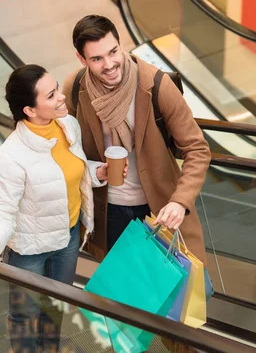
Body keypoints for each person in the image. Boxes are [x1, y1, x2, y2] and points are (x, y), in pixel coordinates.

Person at [0, 64, 117, 352]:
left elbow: (71, 171)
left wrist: (98, 173)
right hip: (29, 250)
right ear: (30, 110)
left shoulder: (68, 125)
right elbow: (2, 208)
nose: (61, 97)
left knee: (56, 305)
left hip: (67, 237)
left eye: (57, 88)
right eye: (51, 95)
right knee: (24, 315)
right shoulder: (11, 156)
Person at [61, 15, 213, 297]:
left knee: (181, 295)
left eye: (113, 52)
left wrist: (180, 202)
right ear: (81, 59)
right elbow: (63, 150)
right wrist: (95, 171)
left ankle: (182, 342)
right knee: (128, 298)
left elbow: (197, 149)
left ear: (121, 45)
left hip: (159, 211)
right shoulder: (75, 88)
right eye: (96, 59)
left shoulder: (155, 85)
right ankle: (135, 343)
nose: (109, 65)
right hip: (111, 213)